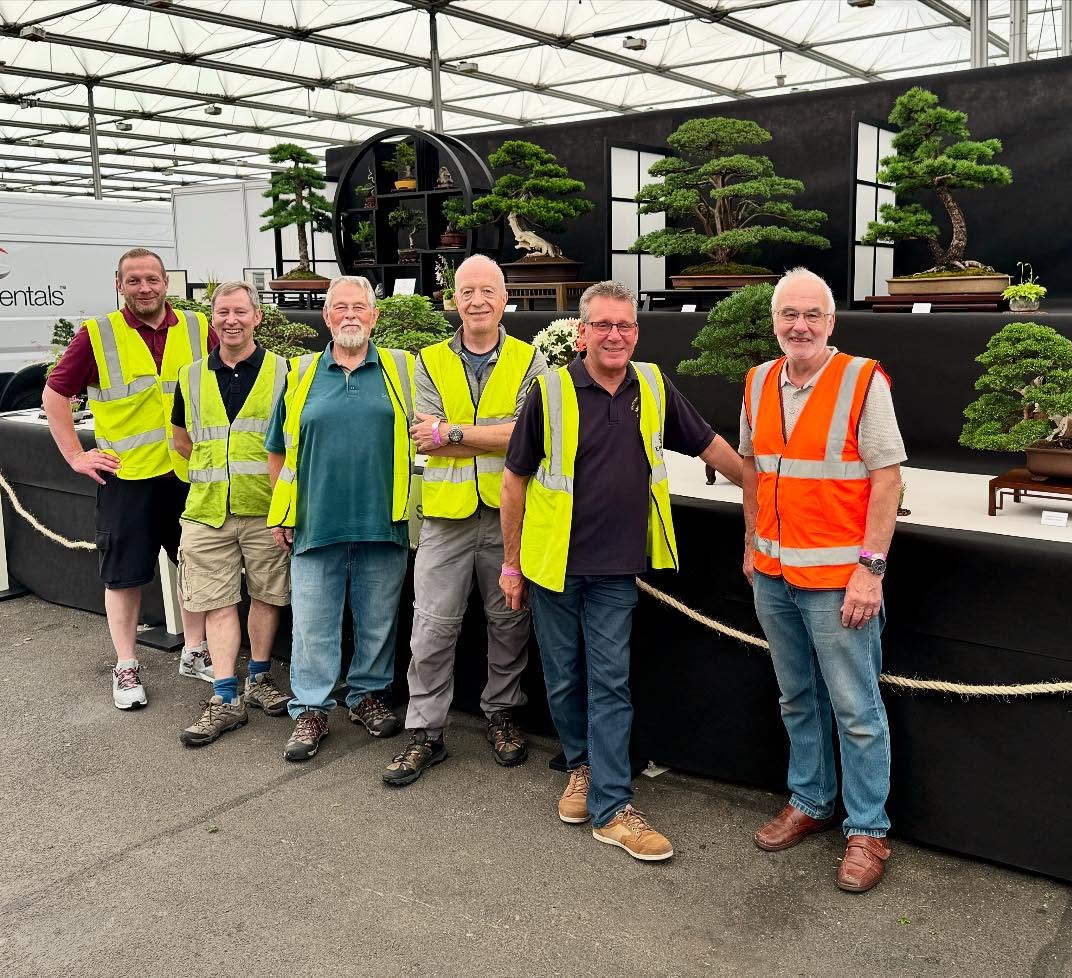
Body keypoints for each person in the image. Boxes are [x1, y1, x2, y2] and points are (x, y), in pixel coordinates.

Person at [501, 280, 742, 862]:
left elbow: (712, 447)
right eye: (604, 325)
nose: (615, 335)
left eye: (626, 326)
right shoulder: (552, 390)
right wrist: (511, 565)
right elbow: (515, 480)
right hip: (552, 566)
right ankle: (581, 766)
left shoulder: (652, 386)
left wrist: (767, 495)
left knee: (609, 680)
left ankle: (612, 806)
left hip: (615, 568)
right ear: (581, 333)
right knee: (563, 677)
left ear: (637, 331)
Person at [740, 267, 905, 894]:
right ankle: (809, 802)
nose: (799, 326)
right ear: (775, 321)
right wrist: (752, 546)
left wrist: (871, 571)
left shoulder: (862, 380)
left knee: (856, 709)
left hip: (840, 581)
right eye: (789, 315)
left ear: (831, 323)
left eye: (812, 315)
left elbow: (887, 480)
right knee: (796, 699)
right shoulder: (758, 381)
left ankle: (867, 829)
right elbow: (756, 474)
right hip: (776, 575)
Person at [382, 256, 545, 787]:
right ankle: (425, 731)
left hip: (508, 516)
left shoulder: (531, 360)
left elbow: (530, 435)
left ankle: (501, 714)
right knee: (431, 627)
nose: (477, 301)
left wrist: (453, 433)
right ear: (453, 298)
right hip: (445, 520)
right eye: (467, 291)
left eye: (487, 291)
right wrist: (490, 431)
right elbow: (420, 431)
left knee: (509, 622)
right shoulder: (428, 361)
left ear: (504, 299)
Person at [42, 248, 215, 710]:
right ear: (119, 284)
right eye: (134, 280)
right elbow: (55, 396)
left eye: (152, 279)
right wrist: (76, 456)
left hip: (187, 472)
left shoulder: (198, 329)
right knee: (123, 576)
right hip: (126, 477)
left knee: (196, 566)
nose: (145, 288)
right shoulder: (97, 335)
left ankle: (195, 651)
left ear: (166, 283)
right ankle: (126, 665)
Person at [265, 275, 416, 762]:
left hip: (382, 519)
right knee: (313, 624)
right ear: (326, 317)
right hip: (315, 521)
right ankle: (310, 708)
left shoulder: (402, 369)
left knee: (378, 620)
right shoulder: (301, 372)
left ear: (374, 316)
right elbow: (277, 452)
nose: (350, 315)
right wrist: (283, 510)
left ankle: (367, 695)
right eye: (340, 308)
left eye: (360, 307)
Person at [170, 282, 294, 746]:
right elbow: (183, 439)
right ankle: (225, 697)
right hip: (207, 511)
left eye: (241, 311)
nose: (231, 320)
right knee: (218, 602)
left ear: (257, 317)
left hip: (266, 509)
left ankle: (258, 678)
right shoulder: (192, 375)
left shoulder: (284, 372)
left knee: (267, 595)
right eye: (223, 312)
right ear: (213, 318)